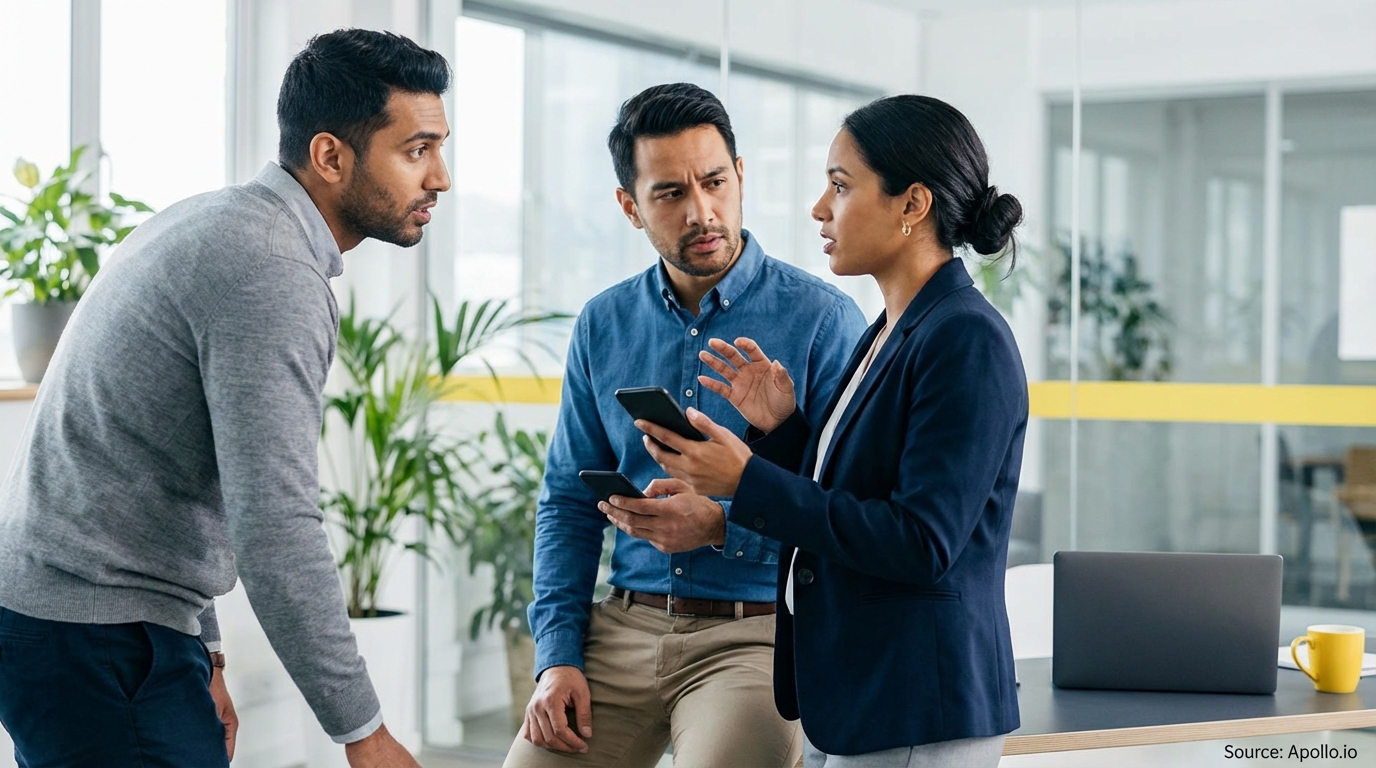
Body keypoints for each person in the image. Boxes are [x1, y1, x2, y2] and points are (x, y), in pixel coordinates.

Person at [0, 29, 450, 767]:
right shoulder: (269, 272)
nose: (441, 177)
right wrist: (363, 732)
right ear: (331, 156)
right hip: (100, 639)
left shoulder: (223, 223)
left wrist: (205, 653)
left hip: (72, 620)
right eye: (417, 150)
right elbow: (274, 520)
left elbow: (176, 461)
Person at [612, 94, 1028, 767]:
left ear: (911, 205)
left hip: (917, 700)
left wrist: (744, 480)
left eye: (840, 186)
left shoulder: (964, 339)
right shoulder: (891, 330)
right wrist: (782, 431)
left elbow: (921, 541)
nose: (819, 209)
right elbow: (858, 492)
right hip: (866, 695)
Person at [505, 83, 867, 768]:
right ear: (630, 207)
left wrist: (721, 528)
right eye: (670, 193)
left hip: (758, 637)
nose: (702, 211)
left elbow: (847, 517)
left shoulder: (823, 320)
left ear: (739, 177)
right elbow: (566, 503)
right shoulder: (603, 323)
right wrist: (556, 658)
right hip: (621, 628)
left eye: (714, 182)